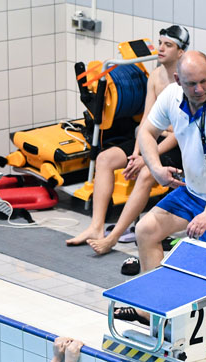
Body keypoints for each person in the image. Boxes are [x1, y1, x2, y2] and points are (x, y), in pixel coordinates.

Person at [117, 51, 206, 354]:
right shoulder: (171, 97)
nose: (199, 89)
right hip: (194, 189)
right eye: (191, 83)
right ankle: (156, 314)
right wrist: (155, 169)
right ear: (179, 80)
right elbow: (147, 133)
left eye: (204, 81)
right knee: (147, 230)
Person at [66, 26, 189, 254]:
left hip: (178, 146)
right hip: (151, 140)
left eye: (168, 45)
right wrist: (137, 153)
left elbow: (180, 133)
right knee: (105, 158)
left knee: (145, 173)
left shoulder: (186, 81)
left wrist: (147, 160)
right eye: (160, 43)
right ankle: (96, 226)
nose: (160, 48)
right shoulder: (155, 76)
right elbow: (146, 122)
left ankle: (113, 237)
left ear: (181, 52)